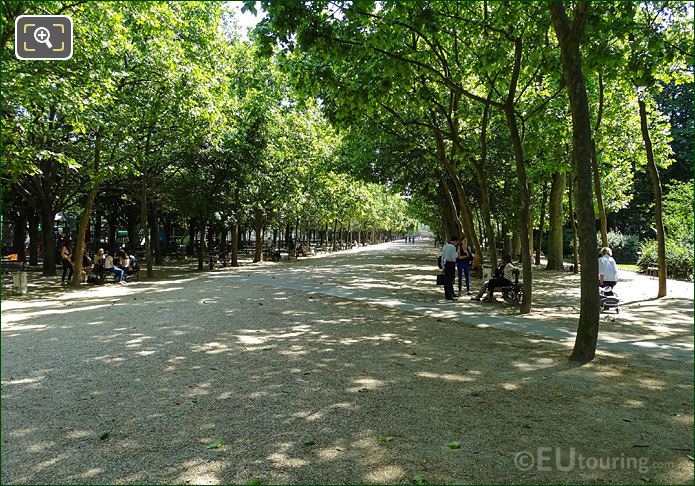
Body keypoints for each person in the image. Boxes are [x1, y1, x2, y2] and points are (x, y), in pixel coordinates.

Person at [441, 236, 459, 301]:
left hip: (446, 263)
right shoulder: (453, 247)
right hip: (451, 264)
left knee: (446, 279)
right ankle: (449, 295)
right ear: (454, 241)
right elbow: (453, 257)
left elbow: (442, 257)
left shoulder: (445, 246)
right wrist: (457, 254)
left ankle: (449, 293)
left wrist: (443, 266)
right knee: (450, 279)